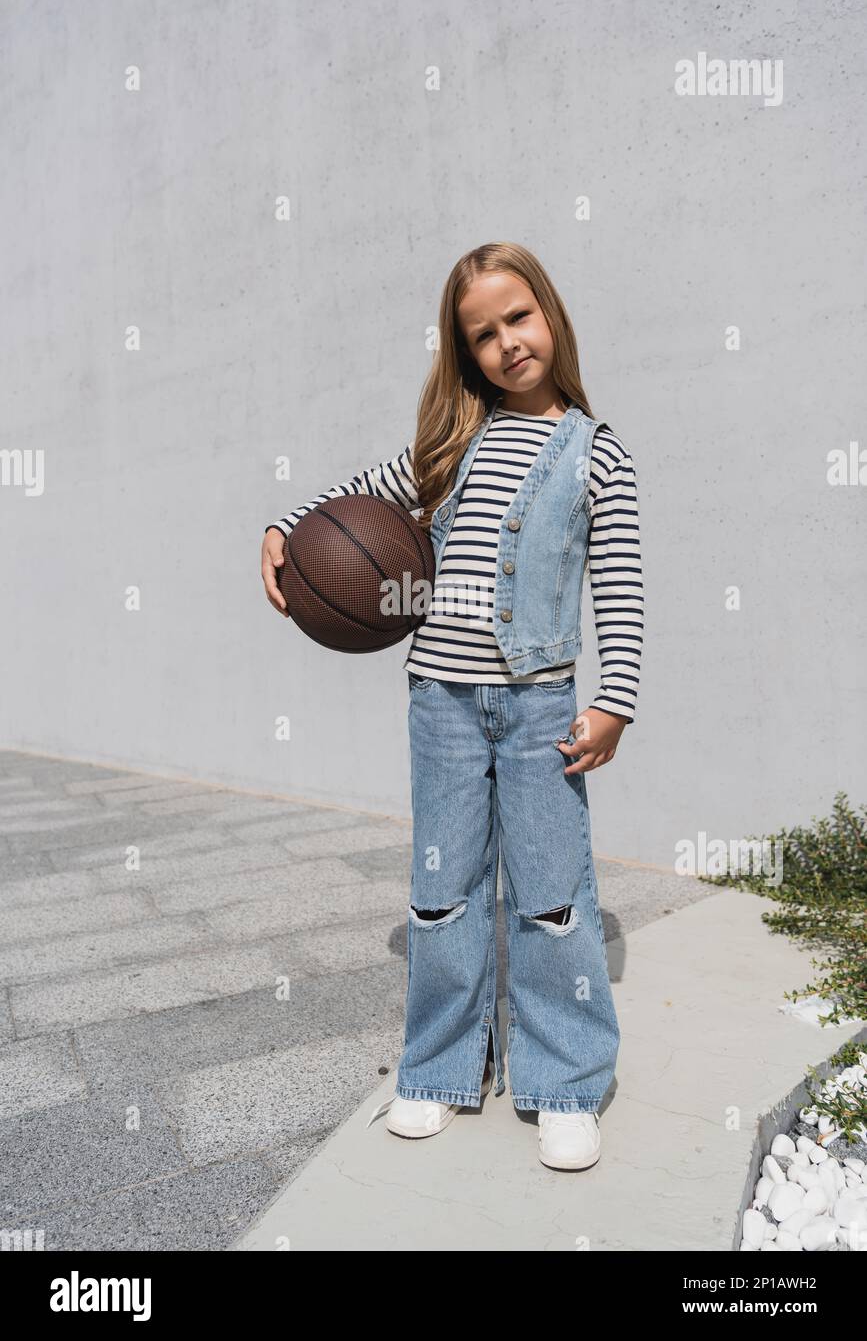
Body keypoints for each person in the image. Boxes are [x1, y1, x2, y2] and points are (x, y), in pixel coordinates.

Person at [261, 242, 644, 1171]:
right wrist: (280, 531)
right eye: (483, 334)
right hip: (439, 700)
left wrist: (615, 700)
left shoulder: (599, 456)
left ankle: (564, 1081)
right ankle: (436, 1071)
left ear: (548, 314)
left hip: (540, 707)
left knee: (551, 897)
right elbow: (347, 505)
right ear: (463, 351)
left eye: (519, 318)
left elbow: (620, 588)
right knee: (442, 895)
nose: (507, 342)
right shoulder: (445, 447)